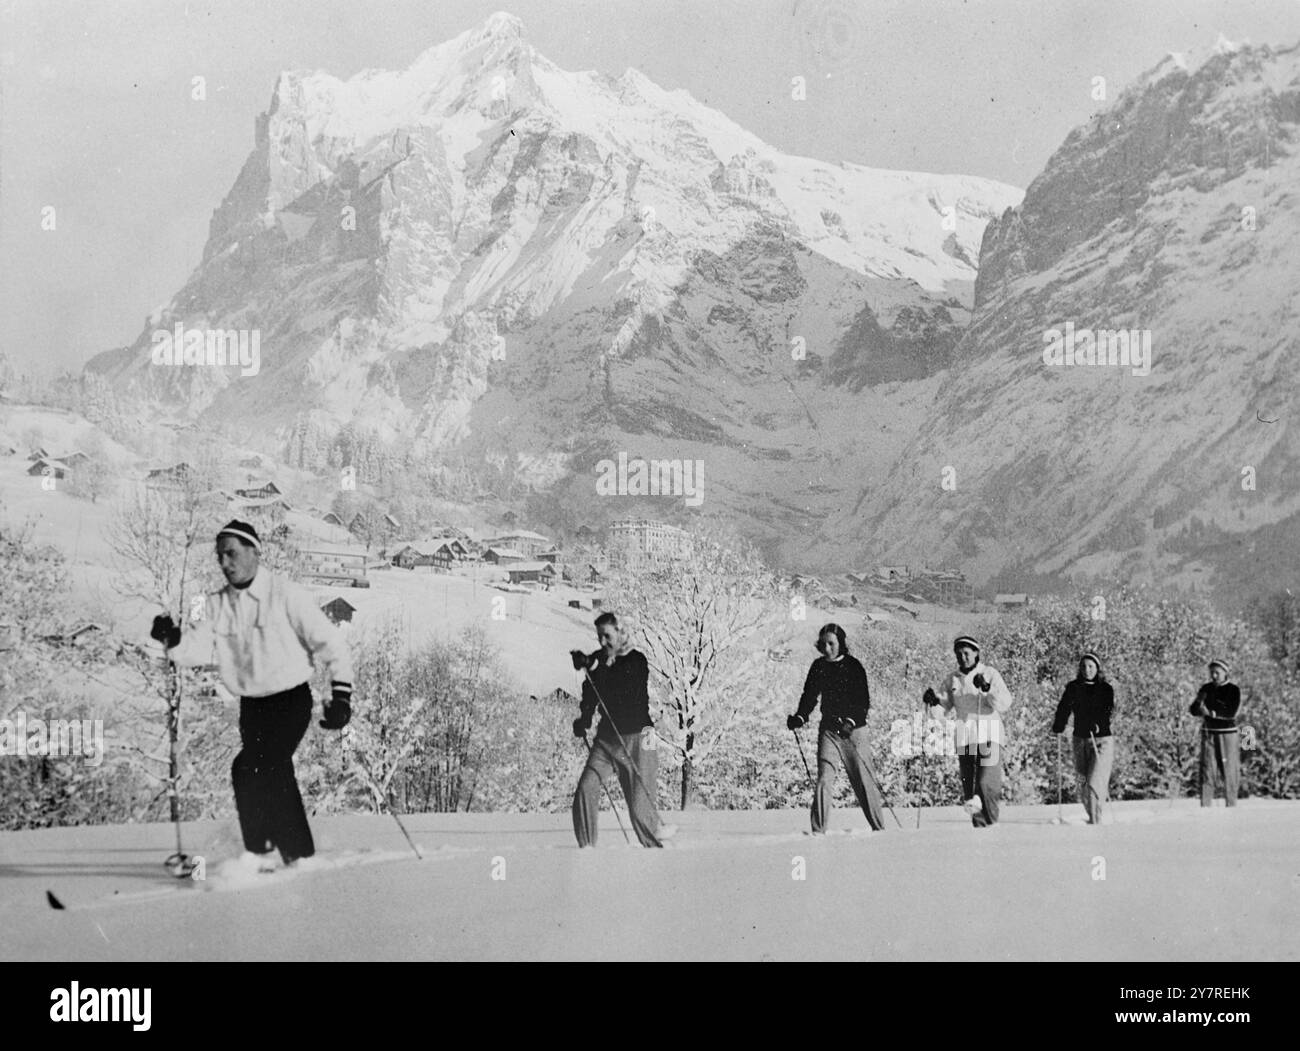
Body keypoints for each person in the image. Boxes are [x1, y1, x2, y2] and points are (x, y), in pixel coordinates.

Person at [150, 520, 353, 870]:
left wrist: (342, 694)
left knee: (261, 766)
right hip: (253, 708)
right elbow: (196, 649)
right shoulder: (213, 605)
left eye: (231, 553)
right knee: (252, 771)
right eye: (220, 557)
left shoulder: (285, 594)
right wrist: (173, 640)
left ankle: (292, 856)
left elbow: (330, 642)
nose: (225, 563)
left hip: (290, 700)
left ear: (254, 552)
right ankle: (266, 853)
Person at [570, 612, 670, 848]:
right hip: (607, 740)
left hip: (641, 737)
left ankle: (656, 850)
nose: (602, 642)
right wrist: (584, 718)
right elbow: (591, 691)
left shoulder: (636, 660)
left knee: (639, 805)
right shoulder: (599, 659)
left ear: (620, 632)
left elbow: (622, 688)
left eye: (607, 636)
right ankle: (586, 851)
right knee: (586, 789)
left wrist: (593, 666)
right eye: (599, 637)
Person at [786, 623, 887, 834]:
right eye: (823, 644)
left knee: (863, 781)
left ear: (841, 643)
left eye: (831, 643)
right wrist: (800, 717)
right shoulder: (818, 666)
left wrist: (850, 722)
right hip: (829, 731)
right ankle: (817, 831)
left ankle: (879, 829)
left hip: (854, 733)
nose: (827, 649)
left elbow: (863, 701)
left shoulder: (854, 666)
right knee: (824, 778)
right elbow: (810, 696)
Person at [923, 635, 1012, 828]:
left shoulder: (989, 673)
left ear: (976, 653)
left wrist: (987, 689)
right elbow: (941, 711)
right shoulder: (952, 679)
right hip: (965, 738)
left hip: (990, 735)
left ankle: (992, 824)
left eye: (967, 653)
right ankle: (980, 830)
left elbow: (1005, 703)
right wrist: (934, 702)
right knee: (970, 791)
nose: (963, 657)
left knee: (986, 782)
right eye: (959, 654)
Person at [1051, 651, 1115, 824]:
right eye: (1084, 666)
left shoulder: (1105, 688)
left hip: (1101, 740)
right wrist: (1059, 724)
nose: (1087, 670)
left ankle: (1095, 822)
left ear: (1097, 668)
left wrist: (1097, 723)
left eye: (1091, 666)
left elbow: (1107, 710)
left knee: (1094, 781)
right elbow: (1064, 707)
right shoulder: (1073, 687)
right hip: (1080, 739)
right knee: (1083, 782)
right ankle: (1093, 815)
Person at [1189, 659, 1241, 807]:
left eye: (1217, 672)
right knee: (1207, 769)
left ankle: (1231, 805)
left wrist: (1211, 713)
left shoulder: (1233, 689)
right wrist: (1198, 704)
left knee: (1229, 770)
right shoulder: (1206, 688)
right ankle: (1205, 805)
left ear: (1225, 673)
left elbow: (1231, 712)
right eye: (1212, 672)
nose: (1214, 675)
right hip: (1209, 733)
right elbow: (1193, 710)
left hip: (1227, 733)